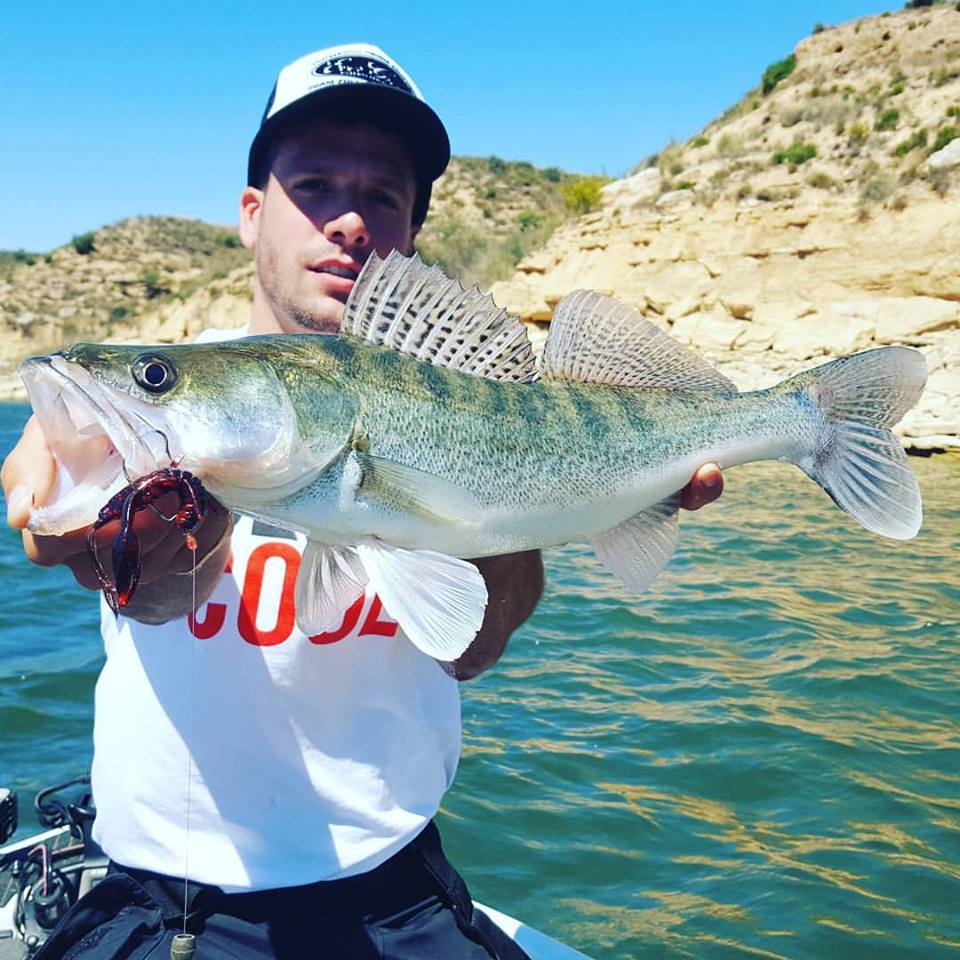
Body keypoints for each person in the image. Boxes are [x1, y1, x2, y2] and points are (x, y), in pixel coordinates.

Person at [1, 43, 724, 959]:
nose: (347, 219)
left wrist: (568, 494)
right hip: (167, 897)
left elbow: (472, 646)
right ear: (252, 215)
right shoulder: (177, 401)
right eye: (313, 186)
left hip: (400, 890)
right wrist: (70, 491)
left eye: (382, 196)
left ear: (412, 231)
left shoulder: (450, 385)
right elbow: (81, 522)